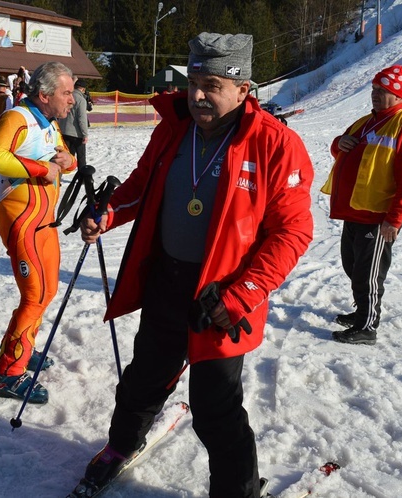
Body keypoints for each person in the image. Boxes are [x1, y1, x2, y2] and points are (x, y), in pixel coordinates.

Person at [75, 33, 313, 497]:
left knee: (215, 408)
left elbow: (293, 233)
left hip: (222, 298)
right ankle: (119, 447)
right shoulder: (173, 128)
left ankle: (236, 490)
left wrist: (242, 294)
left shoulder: (276, 145)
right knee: (143, 379)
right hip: (168, 280)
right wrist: (108, 213)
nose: (198, 95)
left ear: (244, 89)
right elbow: (141, 186)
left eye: (212, 85)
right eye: (194, 83)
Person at [0, 61, 77, 403]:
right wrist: (44, 169)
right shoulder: (17, 118)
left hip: (45, 220)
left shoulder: (47, 123)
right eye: (66, 93)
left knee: (48, 290)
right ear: (44, 94)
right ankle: (8, 375)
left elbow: (64, 160)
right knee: (35, 294)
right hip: (22, 218)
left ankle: (22, 349)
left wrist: (69, 162)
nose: (72, 99)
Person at [321, 65, 402, 345]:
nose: (375, 95)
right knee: (353, 265)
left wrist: (395, 218)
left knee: (368, 272)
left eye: (382, 91)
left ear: (397, 94)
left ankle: (367, 325)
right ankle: (361, 313)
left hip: (379, 215)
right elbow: (342, 146)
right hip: (354, 210)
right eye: (374, 89)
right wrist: (338, 143)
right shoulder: (366, 121)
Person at [57, 78, 88, 168]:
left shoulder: (66, 96)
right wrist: (85, 134)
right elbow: (82, 118)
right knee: (81, 158)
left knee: (65, 157)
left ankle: (59, 177)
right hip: (76, 134)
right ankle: (82, 178)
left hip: (64, 131)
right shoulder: (81, 100)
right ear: (82, 89)